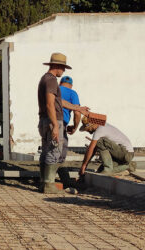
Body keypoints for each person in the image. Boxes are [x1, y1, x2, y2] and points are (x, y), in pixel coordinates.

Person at [37, 52, 89, 194]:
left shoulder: (46, 79)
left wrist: (78, 108)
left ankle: (44, 183)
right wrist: (55, 125)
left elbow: (59, 102)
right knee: (54, 151)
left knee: (47, 151)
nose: (64, 71)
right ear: (57, 66)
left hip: (45, 120)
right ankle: (49, 185)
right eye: (63, 67)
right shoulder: (51, 80)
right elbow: (50, 104)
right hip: (53, 121)